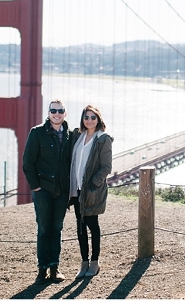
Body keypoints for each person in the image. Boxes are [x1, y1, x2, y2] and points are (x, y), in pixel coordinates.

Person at [22, 99, 74, 285]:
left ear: (65, 113)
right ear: (48, 113)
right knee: (44, 230)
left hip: (61, 192)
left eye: (60, 110)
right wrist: (36, 187)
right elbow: (28, 163)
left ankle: (55, 268)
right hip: (43, 191)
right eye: (53, 110)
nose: (57, 114)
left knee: (57, 229)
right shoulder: (36, 133)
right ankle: (42, 270)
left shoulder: (71, 135)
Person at [68, 104, 113, 278]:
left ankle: (95, 262)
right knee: (80, 226)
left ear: (98, 119)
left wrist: (93, 185)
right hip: (77, 189)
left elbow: (106, 167)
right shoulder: (78, 136)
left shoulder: (103, 139)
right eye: (86, 117)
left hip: (91, 190)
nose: (89, 120)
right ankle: (84, 262)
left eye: (93, 117)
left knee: (92, 225)